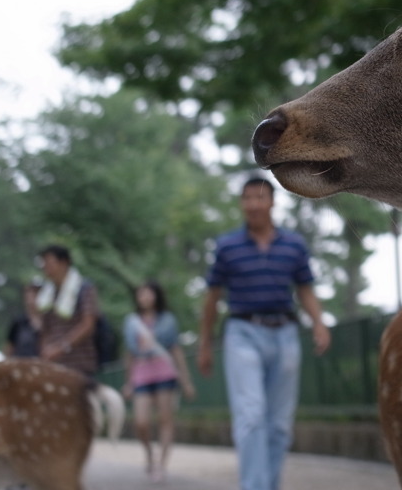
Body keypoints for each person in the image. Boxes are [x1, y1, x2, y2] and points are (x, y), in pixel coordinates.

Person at [197, 176, 331, 490]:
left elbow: (305, 289)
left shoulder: (294, 245)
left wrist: (320, 323)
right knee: (251, 415)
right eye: (246, 198)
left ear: (272, 202)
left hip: (285, 334)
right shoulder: (226, 246)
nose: (253, 204)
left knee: (280, 425)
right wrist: (204, 343)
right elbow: (212, 299)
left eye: (259, 198)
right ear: (241, 204)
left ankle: (268, 484)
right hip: (242, 333)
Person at [122, 280, 196, 483]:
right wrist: (128, 382)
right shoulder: (132, 322)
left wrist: (186, 380)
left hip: (164, 372)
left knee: (165, 419)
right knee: (141, 422)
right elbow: (129, 354)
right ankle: (149, 454)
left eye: (148, 293)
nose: (145, 297)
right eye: (141, 294)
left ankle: (161, 465)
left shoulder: (167, 320)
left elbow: (176, 349)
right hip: (142, 373)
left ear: (155, 295)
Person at [36, 244, 99, 377]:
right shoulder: (45, 295)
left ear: (64, 262)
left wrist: (62, 347)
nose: (45, 267)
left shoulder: (84, 288)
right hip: (54, 366)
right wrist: (46, 350)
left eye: (49, 262)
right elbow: (45, 329)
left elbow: (88, 324)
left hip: (80, 363)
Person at [4, 281, 42, 358]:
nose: (30, 299)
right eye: (28, 295)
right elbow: (9, 348)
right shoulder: (18, 322)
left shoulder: (49, 321)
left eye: (34, 294)